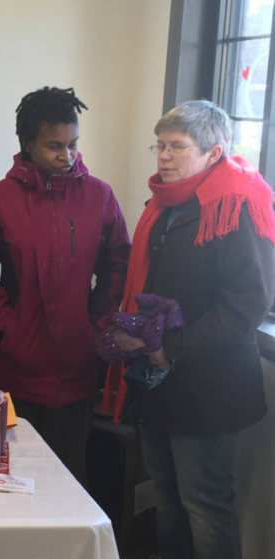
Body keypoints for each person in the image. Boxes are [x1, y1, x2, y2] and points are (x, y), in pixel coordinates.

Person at [104, 100, 275, 559]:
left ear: (213, 154)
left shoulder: (237, 206)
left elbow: (248, 303)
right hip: (158, 382)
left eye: (178, 147)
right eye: (160, 145)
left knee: (205, 504)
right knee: (166, 495)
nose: (164, 156)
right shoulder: (164, 204)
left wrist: (172, 349)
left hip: (209, 387)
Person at [0, 87, 130, 484]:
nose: (66, 156)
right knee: (9, 473)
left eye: (73, 145)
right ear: (28, 144)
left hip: (77, 364)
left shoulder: (99, 196)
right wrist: (6, 325)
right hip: (14, 365)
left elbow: (118, 264)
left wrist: (98, 323)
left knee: (69, 476)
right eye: (54, 146)